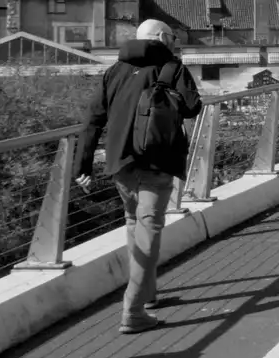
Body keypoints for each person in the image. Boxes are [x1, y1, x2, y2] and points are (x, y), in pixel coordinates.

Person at [76, 19, 202, 334]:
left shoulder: (114, 71)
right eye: (172, 37)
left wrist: (83, 165)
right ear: (161, 38)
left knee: (134, 225)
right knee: (149, 233)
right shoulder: (172, 68)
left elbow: (92, 120)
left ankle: (147, 295)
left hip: (121, 165)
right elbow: (192, 107)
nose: (174, 42)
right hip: (156, 164)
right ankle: (132, 310)